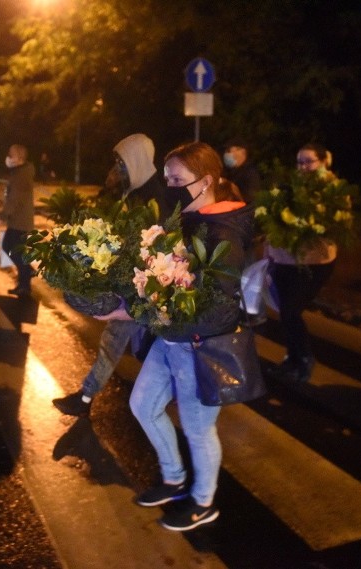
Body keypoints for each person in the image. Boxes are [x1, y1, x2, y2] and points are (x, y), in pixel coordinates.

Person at [99, 142, 254, 531]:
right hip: (171, 340)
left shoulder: (225, 232)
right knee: (143, 404)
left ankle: (204, 502)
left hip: (202, 347)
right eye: (166, 178)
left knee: (199, 430)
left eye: (176, 180)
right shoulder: (184, 219)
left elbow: (219, 308)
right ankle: (173, 478)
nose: (167, 186)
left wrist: (150, 312)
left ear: (206, 181)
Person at [53, 133, 167, 416]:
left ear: (137, 160)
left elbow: (155, 245)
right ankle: (86, 398)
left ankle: (160, 405)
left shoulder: (156, 198)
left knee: (150, 346)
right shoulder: (133, 192)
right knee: (114, 341)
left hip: (145, 286)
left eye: (122, 162)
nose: (118, 168)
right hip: (130, 283)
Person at [267, 143, 339, 383]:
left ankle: (305, 358)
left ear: (323, 162)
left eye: (309, 161)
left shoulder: (333, 191)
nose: (304, 166)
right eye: (300, 162)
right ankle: (292, 358)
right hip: (284, 260)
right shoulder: (289, 187)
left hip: (314, 263)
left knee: (291, 310)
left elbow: (332, 225)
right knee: (286, 312)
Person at [0, 144, 35, 298]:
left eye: (11, 155)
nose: (8, 157)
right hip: (18, 221)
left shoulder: (21, 175)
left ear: (19, 158)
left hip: (20, 222)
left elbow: (14, 199)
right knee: (13, 249)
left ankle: (27, 272)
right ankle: (24, 285)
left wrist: (2, 216)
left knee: (8, 247)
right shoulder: (19, 172)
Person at [222, 137, 262, 204]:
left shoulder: (251, 174)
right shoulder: (231, 172)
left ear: (242, 152)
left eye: (229, 151)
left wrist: (234, 191)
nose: (226, 155)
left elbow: (252, 202)